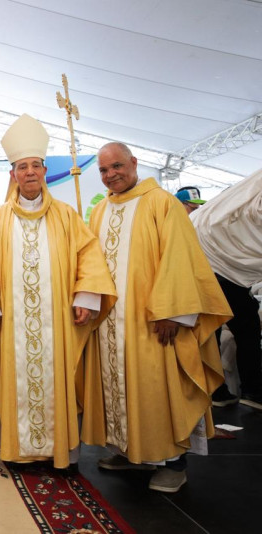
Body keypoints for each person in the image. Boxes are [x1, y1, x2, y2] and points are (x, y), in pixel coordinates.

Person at [81, 142, 231, 493]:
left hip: (154, 322)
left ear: (134, 163)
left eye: (117, 166)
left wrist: (174, 313)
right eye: (104, 171)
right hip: (111, 325)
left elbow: (181, 258)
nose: (111, 175)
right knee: (122, 390)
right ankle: (128, 451)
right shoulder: (100, 210)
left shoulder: (161, 203)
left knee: (162, 390)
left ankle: (175, 464)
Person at [0, 114, 116, 469]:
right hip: (14, 322)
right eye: (23, 166)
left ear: (44, 170)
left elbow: (88, 255)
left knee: (57, 380)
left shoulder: (66, 215)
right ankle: (18, 450)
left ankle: (60, 452)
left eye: (36, 165)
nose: (30, 172)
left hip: (58, 322)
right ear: (13, 174)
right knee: (16, 381)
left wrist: (85, 297)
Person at [190, 169, 262, 409]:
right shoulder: (242, 200)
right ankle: (245, 390)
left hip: (212, 266)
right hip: (217, 268)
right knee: (240, 329)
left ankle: (222, 390)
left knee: (219, 330)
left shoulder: (217, 209)